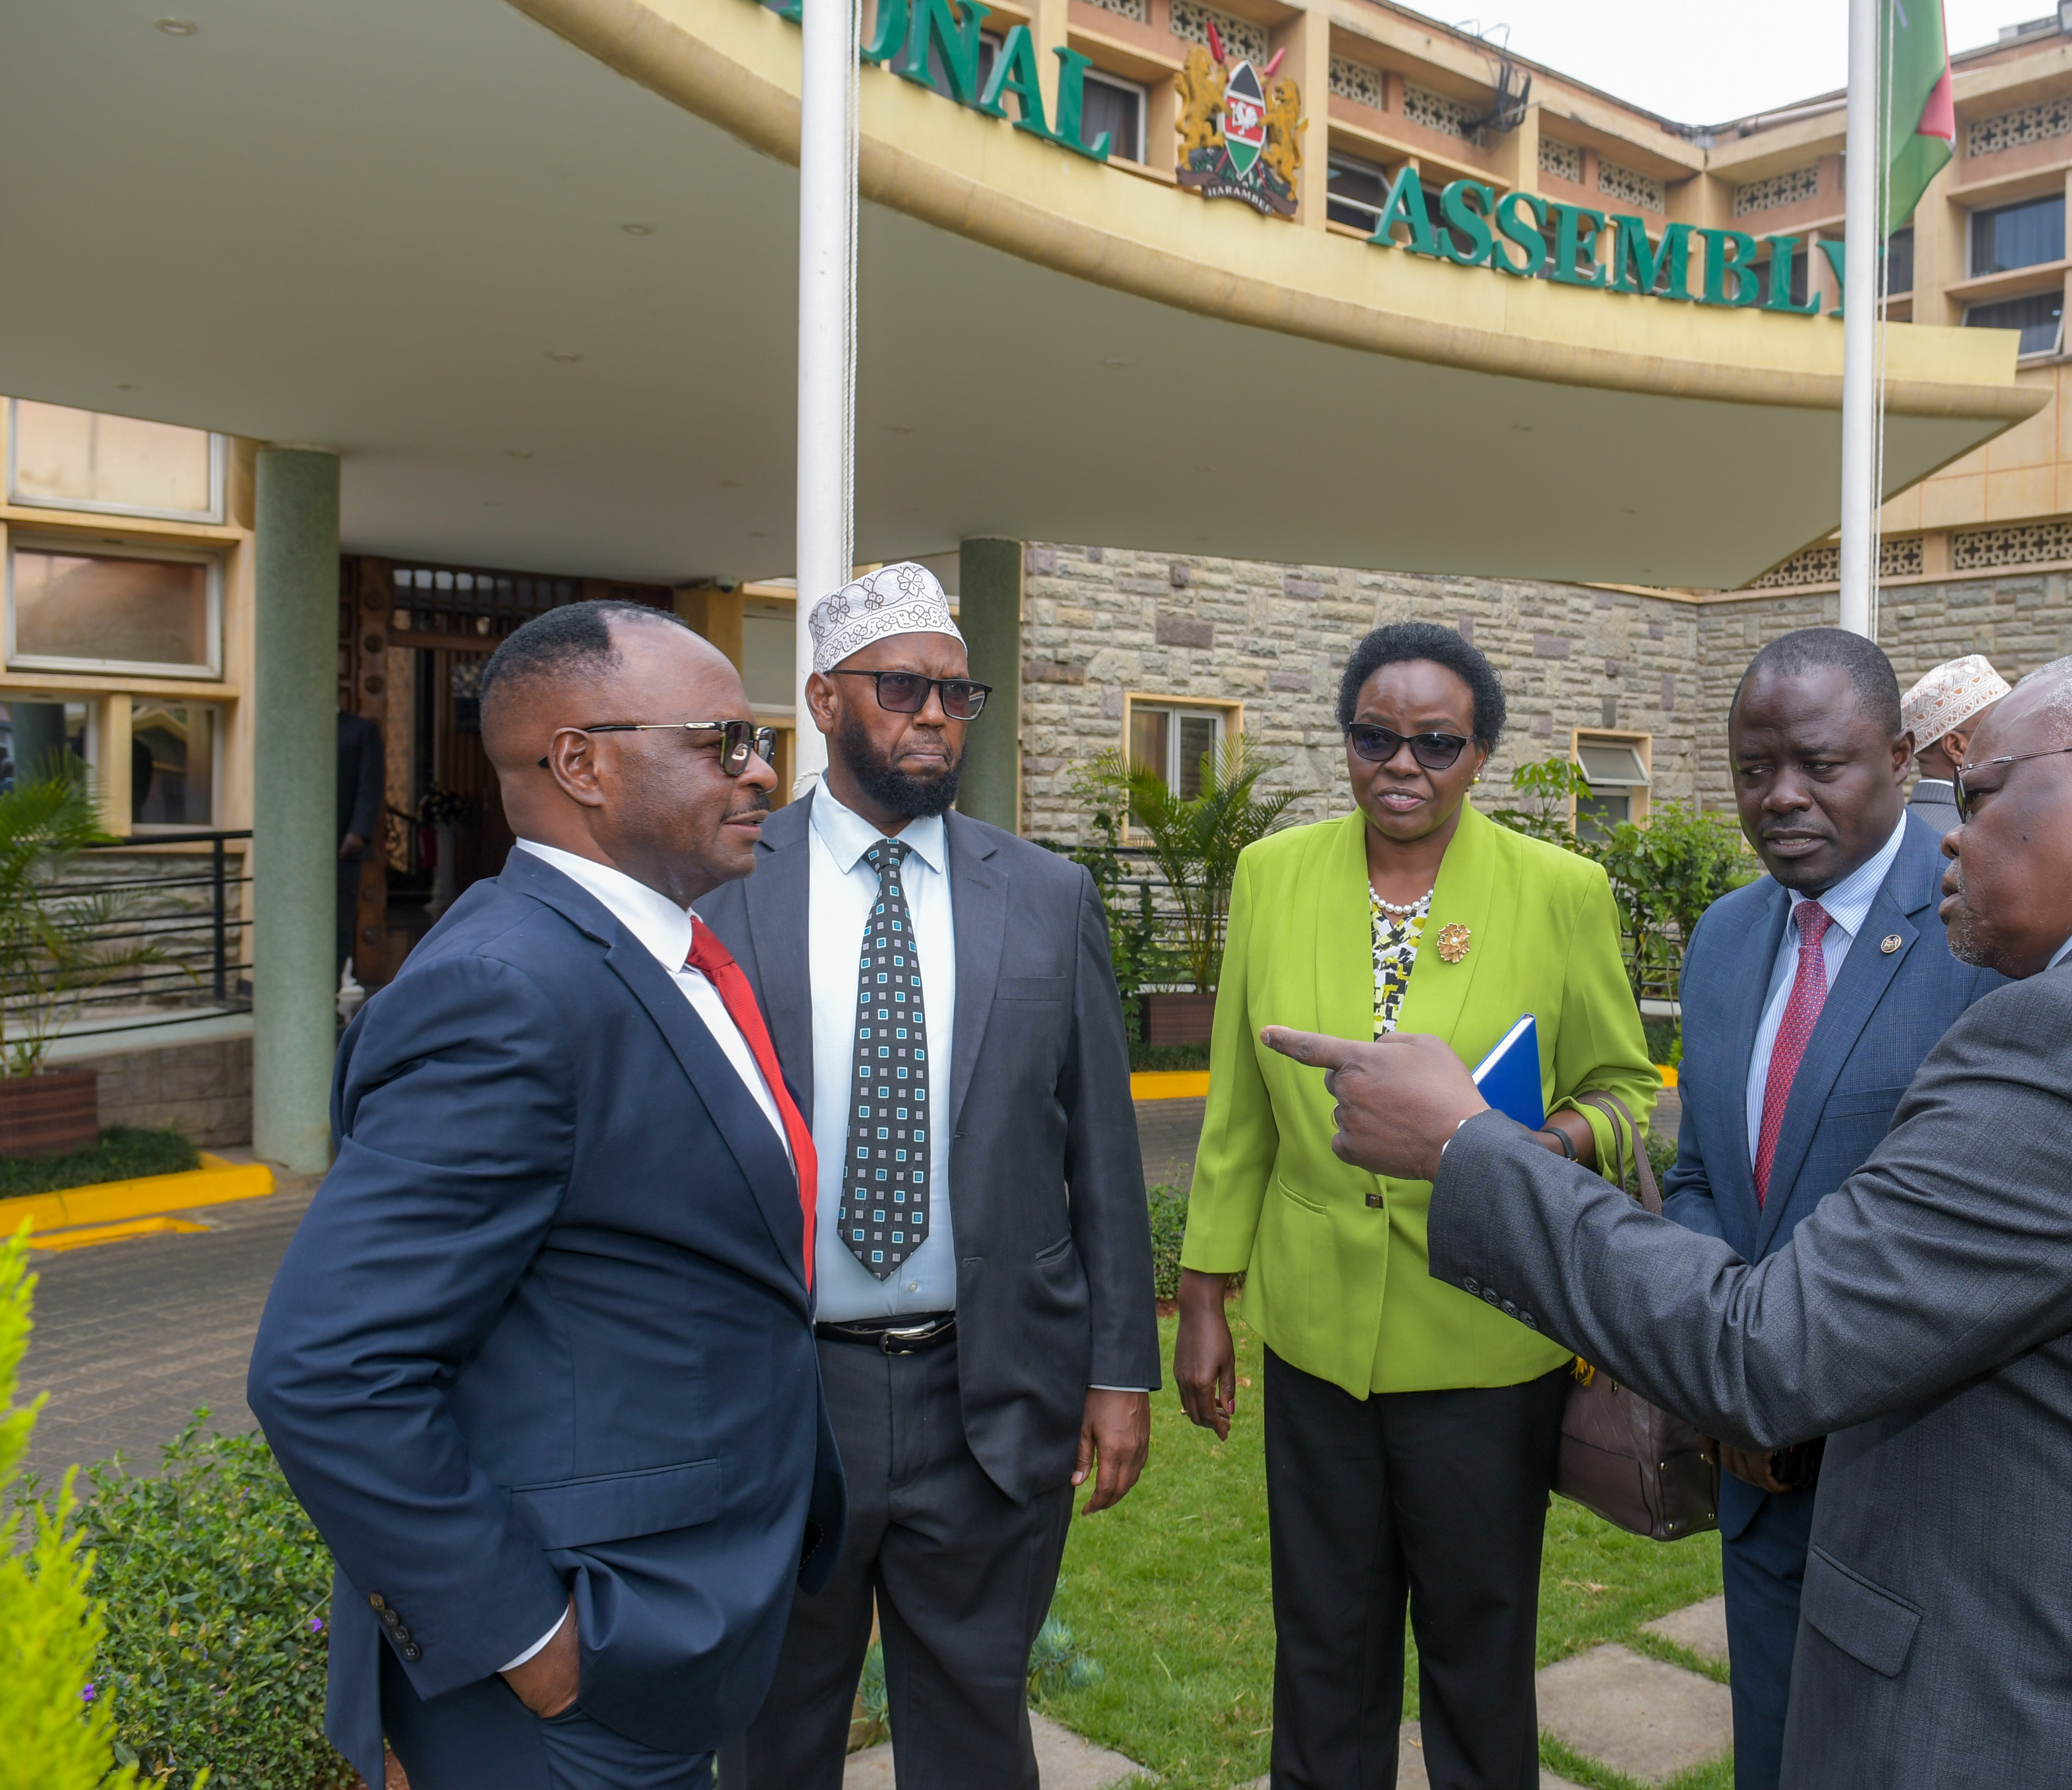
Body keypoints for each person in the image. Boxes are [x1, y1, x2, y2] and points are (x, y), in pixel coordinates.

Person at [1264, 646, 2072, 1790]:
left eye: (1986, 793)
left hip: (2034, 1717)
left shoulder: (2071, 1039)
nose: (1957, 831)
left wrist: (1465, 1147)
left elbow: (1767, 1349)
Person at [247, 601, 843, 1790]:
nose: (766, 769)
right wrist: (540, 1645)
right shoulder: (506, 992)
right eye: (721, 740)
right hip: (564, 1699)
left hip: (666, 1647)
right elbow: (327, 1371)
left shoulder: (652, 955)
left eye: (758, 735)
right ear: (582, 762)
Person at [1173, 620, 1658, 1790]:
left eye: (1435, 744)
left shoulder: (1560, 892)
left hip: (1484, 1345)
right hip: (1316, 1347)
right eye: (1375, 737)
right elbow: (1237, 1106)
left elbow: (1627, 1094)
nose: (1403, 764)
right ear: (1347, 742)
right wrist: (1202, 1297)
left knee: (1475, 1652)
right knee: (1323, 1650)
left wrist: (1524, 1147)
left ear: (1480, 754)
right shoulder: (1273, 875)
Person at [698, 564, 1158, 1790]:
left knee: (973, 1732)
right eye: (902, 687)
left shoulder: (1047, 898)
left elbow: (1101, 1160)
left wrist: (1119, 1372)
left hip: (991, 1391)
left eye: (959, 692)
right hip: (787, 1397)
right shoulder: (726, 884)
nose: (936, 715)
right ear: (823, 699)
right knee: (772, 1733)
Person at [1657, 629, 1998, 1790]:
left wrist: (1800, 1375)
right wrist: (1733, 1366)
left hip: (1920, 1498)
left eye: (1819, 763)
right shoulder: (1722, 938)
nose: (1781, 797)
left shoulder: (1986, 929)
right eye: (1754, 770)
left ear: (1902, 757)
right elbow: (1701, 1177)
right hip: (1756, 1481)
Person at [1896, 652, 2008, 834]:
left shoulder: (1898, 829)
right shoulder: (1973, 833)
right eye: (2004, 724)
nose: (2018, 734)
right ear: (1956, 747)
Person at [338, 707, 386, 977]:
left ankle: (328, 992)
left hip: (342, 848)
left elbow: (370, 783)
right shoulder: (299, 728)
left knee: (339, 922)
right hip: (301, 849)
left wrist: (358, 831)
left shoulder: (361, 730)